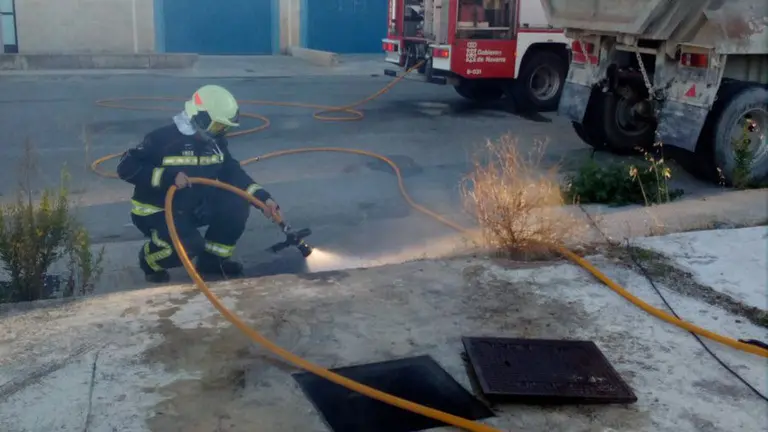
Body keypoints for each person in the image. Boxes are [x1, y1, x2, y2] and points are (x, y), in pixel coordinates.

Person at [116, 84, 282, 283]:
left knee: (236, 205)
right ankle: (150, 260)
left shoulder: (214, 143)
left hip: (195, 206)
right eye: (219, 126)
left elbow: (231, 172)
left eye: (225, 128)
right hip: (158, 211)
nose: (222, 133)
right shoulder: (162, 139)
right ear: (200, 118)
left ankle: (212, 261)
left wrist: (263, 199)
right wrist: (167, 178)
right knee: (189, 245)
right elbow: (126, 167)